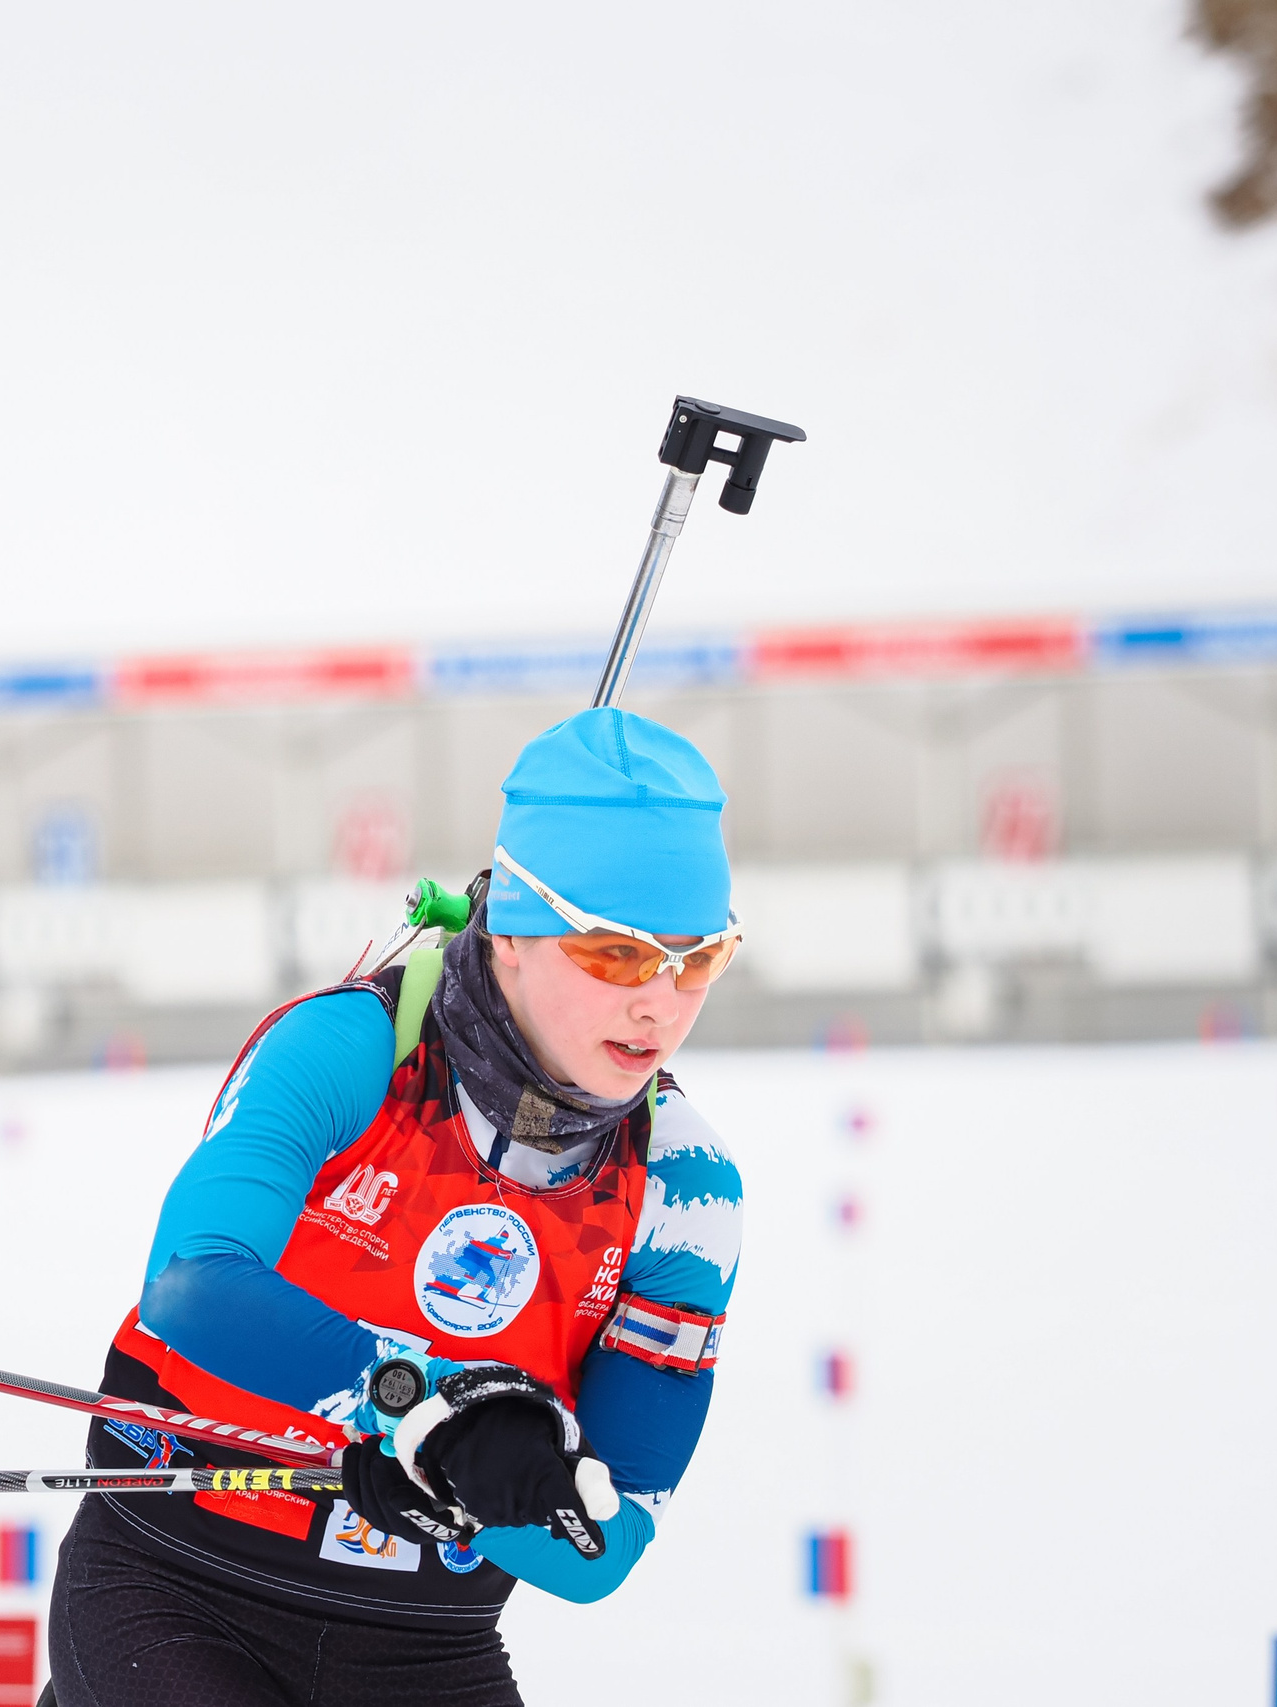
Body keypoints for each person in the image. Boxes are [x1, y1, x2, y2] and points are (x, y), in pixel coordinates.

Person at [45, 706, 749, 1707]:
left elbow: (604, 1546)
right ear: (514, 931)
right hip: (178, 1583)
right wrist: (420, 1407)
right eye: (616, 954)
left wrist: (468, 1481)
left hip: (425, 1646)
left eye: (698, 957)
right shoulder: (352, 1049)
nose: (660, 1003)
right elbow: (192, 1286)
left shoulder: (683, 1187)